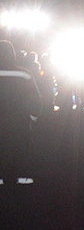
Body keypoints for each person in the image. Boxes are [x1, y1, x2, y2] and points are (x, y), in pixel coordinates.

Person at [0, 40, 41, 188]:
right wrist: (33, 117)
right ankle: (21, 177)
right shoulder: (24, 74)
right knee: (20, 148)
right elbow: (36, 99)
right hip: (19, 121)